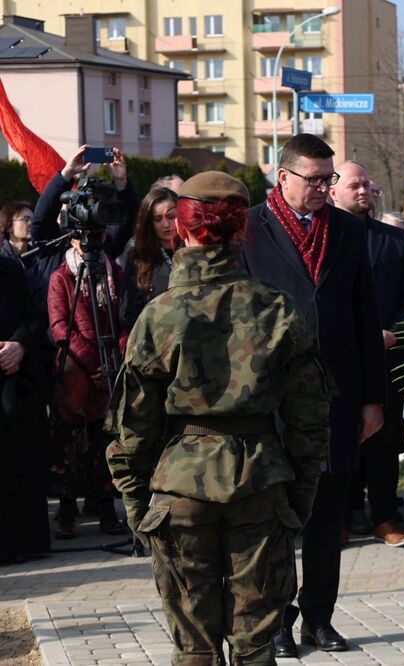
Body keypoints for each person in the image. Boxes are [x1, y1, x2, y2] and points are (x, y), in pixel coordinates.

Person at [106, 171, 330, 665]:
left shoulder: (158, 314)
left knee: (195, 647)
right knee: (256, 644)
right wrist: (299, 496)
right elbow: (309, 420)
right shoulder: (276, 308)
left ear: (181, 228)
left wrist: (137, 505)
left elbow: (132, 428)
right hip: (261, 484)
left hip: (180, 490)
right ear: (241, 230)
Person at [243, 133, 385, 656]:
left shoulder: (346, 229)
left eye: (330, 180)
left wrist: (373, 398)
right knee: (278, 517)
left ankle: (319, 617)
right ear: (283, 178)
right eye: (316, 180)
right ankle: (277, 620)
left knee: (329, 516)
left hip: (337, 398)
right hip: (274, 400)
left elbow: (366, 316)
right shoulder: (250, 229)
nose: (325, 188)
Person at [331, 160, 404, 548]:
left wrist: (394, 334)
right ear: (333, 191)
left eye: (366, 184)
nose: (363, 191)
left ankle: (384, 516)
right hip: (338, 361)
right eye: (354, 185)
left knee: (384, 440)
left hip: (385, 359)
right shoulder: (324, 238)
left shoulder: (392, 239)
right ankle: (340, 517)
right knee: (340, 439)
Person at [48, 226, 130, 539]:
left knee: (105, 444)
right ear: (72, 239)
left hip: (110, 369)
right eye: (81, 235)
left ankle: (108, 510)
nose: (88, 242)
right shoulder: (61, 277)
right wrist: (95, 363)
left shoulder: (116, 273)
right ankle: (67, 512)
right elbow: (60, 326)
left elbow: (126, 319)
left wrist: (113, 360)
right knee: (69, 449)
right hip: (75, 373)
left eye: (95, 235)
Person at [0, 254, 50, 563]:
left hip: (14, 375)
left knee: (20, 417)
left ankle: (25, 541)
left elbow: (34, 317)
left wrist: (18, 345)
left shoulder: (11, 270)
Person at [119, 188, 178, 329]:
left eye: (171, 216)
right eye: (157, 219)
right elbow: (128, 314)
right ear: (149, 222)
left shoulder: (193, 249)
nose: (165, 224)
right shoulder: (138, 258)